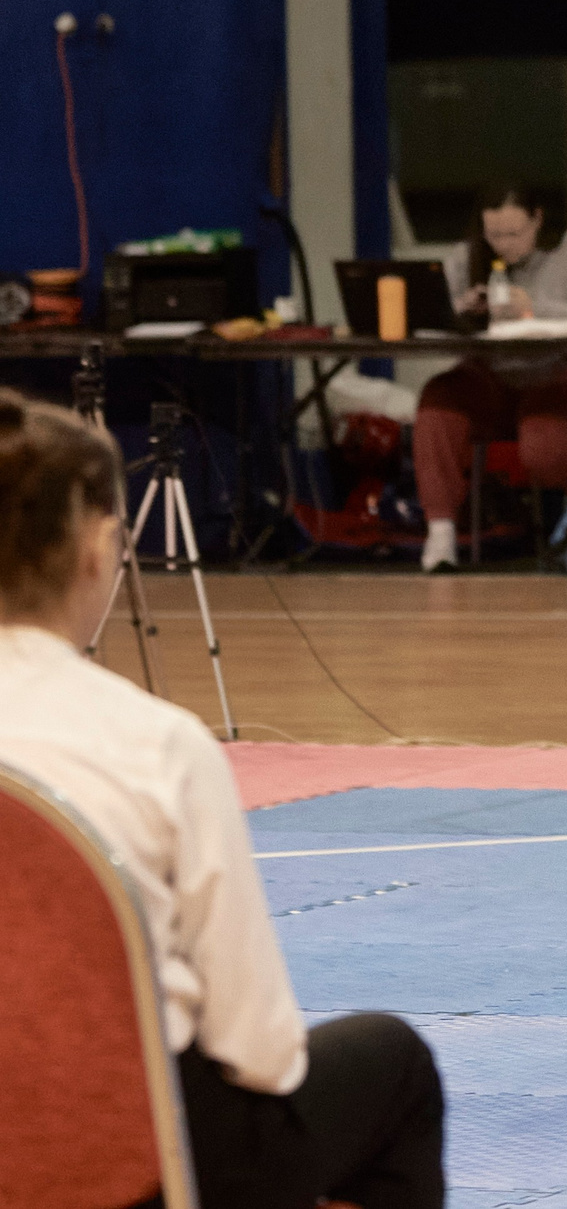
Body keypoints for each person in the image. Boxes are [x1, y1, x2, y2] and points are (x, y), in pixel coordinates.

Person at [0, 389, 445, 1206]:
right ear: (101, 548)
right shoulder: (155, 746)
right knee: (394, 1067)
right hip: (129, 1166)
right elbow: (263, 1053)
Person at [414, 183, 567, 572]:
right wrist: (462, 314)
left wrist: (537, 309)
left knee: (544, 440)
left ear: (538, 220)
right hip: (496, 375)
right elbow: (436, 325)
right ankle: (441, 534)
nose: (503, 244)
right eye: (493, 234)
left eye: (514, 234)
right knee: (438, 402)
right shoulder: (467, 257)